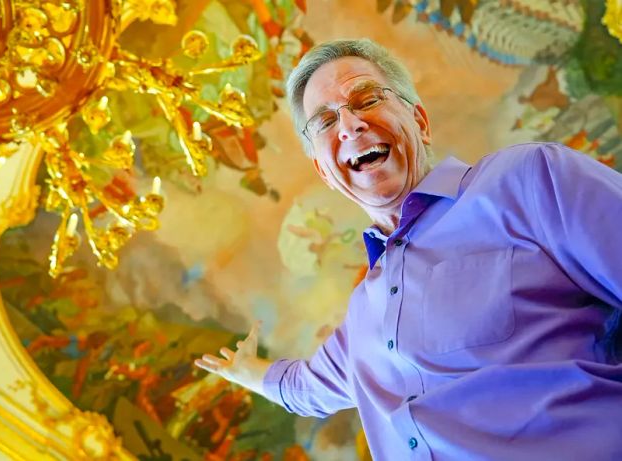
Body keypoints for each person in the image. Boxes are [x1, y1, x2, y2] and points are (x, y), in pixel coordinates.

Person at [194, 38, 622, 460]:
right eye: (324, 122)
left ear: (420, 121)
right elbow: (308, 388)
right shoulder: (364, 312)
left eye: (365, 99)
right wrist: (246, 371)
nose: (349, 125)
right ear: (324, 171)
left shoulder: (526, 179)